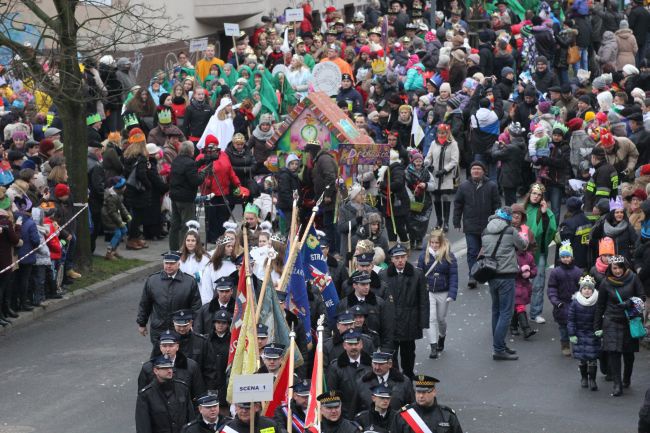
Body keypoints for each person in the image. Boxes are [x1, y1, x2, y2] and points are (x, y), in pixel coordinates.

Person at [594, 255, 646, 396]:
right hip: (611, 320)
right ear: (610, 268)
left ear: (625, 267)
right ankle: (617, 385)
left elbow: (642, 297)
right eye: (615, 268)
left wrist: (629, 302)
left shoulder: (633, 278)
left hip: (630, 321)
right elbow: (600, 306)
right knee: (614, 352)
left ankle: (626, 378)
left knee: (629, 355)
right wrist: (597, 326)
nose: (617, 271)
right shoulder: (605, 283)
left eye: (620, 267)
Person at [481, 207, 528, 360]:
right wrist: (523, 236)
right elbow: (523, 246)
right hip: (506, 275)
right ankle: (499, 348)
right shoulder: (510, 231)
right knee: (506, 313)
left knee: (496, 311)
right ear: (507, 218)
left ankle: (499, 344)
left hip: (491, 274)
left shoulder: (485, 231)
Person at [380, 244, 428, 379]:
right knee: (392, 351)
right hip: (391, 320)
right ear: (392, 259)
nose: (400, 260)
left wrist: (422, 322)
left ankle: (408, 372)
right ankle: (395, 375)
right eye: (397, 258)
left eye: (402, 257)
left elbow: (423, 299)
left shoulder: (417, 274)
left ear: (407, 257)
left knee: (408, 351)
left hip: (410, 320)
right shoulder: (383, 275)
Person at [136, 251, 202, 347]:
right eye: (166, 263)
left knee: (180, 359)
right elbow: (145, 303)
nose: (169, 266)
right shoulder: (152, 280)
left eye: (172, 263)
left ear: (178, 264)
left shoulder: (189, 282)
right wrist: (142, 323)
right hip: (159, 329)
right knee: (160, 359)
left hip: (181, 329)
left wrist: (195, 326)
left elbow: (196, 307)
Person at [453, 161, 500, 289]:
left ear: (484, 171)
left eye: (479, 169)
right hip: (470, 225)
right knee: (472, 251)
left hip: (488, 227)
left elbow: (497, 205)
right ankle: (472, 275)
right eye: (473, 169)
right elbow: (458, 205)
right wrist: (456, 221)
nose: (476, 171)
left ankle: (486, 274)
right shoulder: (464, 186)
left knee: (487, 252)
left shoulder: (492, 186)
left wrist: (498, 221)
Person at [417, 228, 457, 359]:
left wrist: (452, 293)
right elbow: (419, 275)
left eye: (436, 243)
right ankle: (433, 347)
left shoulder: (449, 256)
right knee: (431, 318)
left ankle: (442, 336)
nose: (434, 245)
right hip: (429, 291)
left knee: (441, 319)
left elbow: (453, 275)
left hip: (443, 291)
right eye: (432, 242)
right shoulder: (424, 256)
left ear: (441, 243)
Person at [523, 183, 557, 324]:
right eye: (533, 193)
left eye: (538, 194)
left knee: (538, 283)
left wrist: (543, 214)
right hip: (521, 252)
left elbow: (551, 230)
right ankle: (517, 312)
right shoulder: (522, 209)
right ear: (529, 194)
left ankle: (535, 312)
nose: (535, 196)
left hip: (539, 252)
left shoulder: (547, 213)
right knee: (519, 283)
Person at [135, 355, 194, 433]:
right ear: (156, 371)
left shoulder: (182, 388)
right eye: (165, 368)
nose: (169, 371)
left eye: (170, 367)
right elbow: (143, 426)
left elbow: (191, 419)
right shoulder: (146, 395)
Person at [336, 270, 394, 350]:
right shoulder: (344, 304)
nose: (366, 287)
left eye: (368, 284)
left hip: (374, 347)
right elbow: (338, 329)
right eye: (363, 284)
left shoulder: (379, 303)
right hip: (350, 348)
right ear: (354, 285)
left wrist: (385, 350)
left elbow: (387, 329)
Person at [326, 328, 372, 419]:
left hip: (369, 416)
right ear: (344, 345)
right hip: (346, 417)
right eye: (350, 344)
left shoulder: (372, 365)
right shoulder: (335, 367)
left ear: (361, 344)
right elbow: (332, 395)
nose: (353, 347)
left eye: (356, 344)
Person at [547, 242, 584, 357]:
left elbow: (582, 288)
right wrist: (555, 301)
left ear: (572, 257)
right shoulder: (556, 272)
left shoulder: (578, 271)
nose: (565, 259)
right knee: (563, 328)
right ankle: (565, 345)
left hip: (575, 304)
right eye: (563, 257)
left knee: (577, 327)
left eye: (567, 256)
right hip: (561, 305)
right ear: (560, 258)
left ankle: (577, 345)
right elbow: (552, 288)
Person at [392, 375, 462, 433]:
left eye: (424, 392)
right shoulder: (403, 415)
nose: (421, 396)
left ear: (434, 392)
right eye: (418, 392)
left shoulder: (447, 415)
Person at [169, 141, 206, 251]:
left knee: (175, 225)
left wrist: (201, 162)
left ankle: (174, 248)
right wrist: (203, 173)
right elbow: (195, 180)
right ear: (190, 151)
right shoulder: (189, 163)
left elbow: (187, 169)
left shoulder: (176, 160)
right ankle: (184, 249)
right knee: (187, 225)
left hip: (175, 197)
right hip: (186, 199)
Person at [568, 275, 601, 391]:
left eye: (589, 288)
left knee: (593, 358)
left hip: (593, 334)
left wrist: (600, 329)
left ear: (593, 290)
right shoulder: (575, 303)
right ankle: (584, 378)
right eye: (584, 288)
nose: (587, 290)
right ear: (580, 290)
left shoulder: (597, 302)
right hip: (579, 333)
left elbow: (601, 317)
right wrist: (571, 334)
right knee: (582, 358)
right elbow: (571, 319)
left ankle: (592, 379)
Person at [424, 124, 459, 232]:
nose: (441, 134)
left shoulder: (453, 144)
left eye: (443, 132)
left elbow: (454, 161)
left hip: (446, 175)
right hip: (435, 175)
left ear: (447, 133)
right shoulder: (434, 143)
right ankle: (439, 221)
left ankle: (446, 222)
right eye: (439, 132)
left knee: (445, 196)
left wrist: (445, 170)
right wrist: (427, 163)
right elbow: (429, 157)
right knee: (436, 198)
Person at [201, 310, 231, 408]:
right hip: (209, 384)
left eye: (223, 323)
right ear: (214, 323)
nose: (220, 325)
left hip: (226, 384)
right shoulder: (205, 340)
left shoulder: (233, 341)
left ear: (228, 324)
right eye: (218, 322)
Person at [101, 176, 130, 260]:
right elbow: (112, 212)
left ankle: (114, 250)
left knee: (124, 230)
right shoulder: (112, 197)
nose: (126, 187)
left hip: (115, 218)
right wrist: (120, 222)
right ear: (120, 187)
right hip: (109, 219)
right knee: (117, 233)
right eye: (124, 185)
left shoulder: (118, 194)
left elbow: (121, 206)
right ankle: (109, 253)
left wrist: (127, 214)